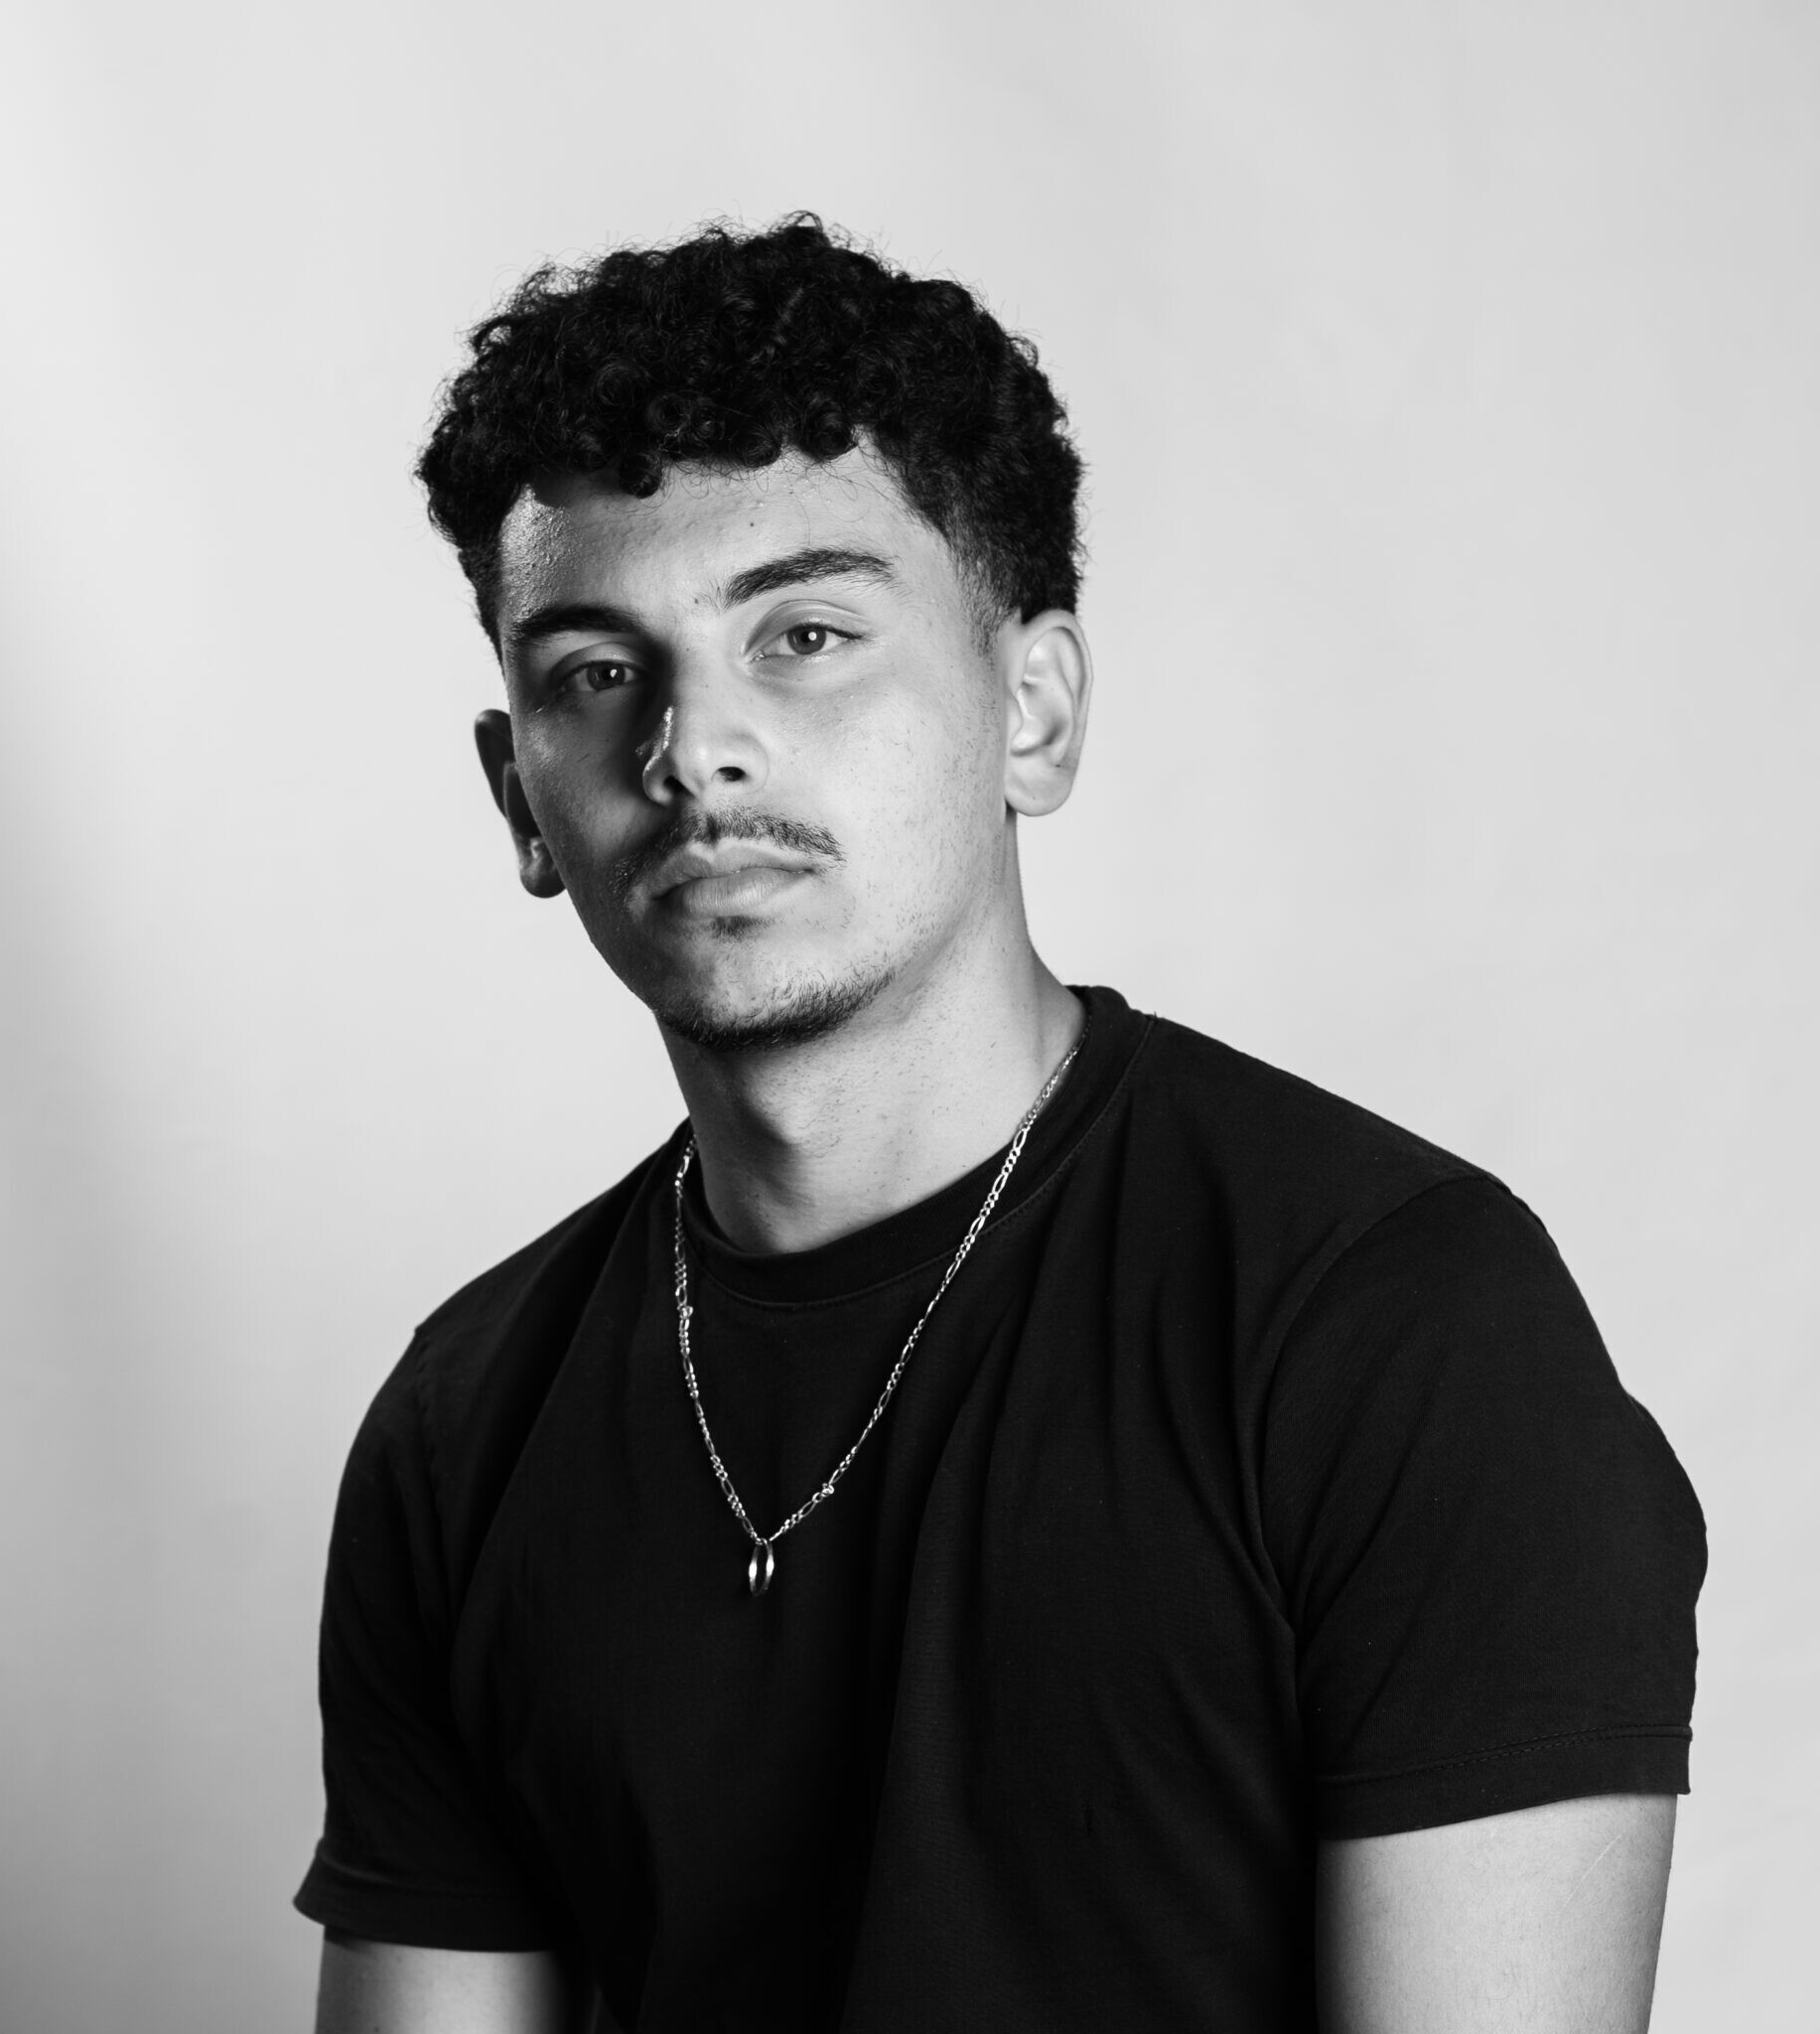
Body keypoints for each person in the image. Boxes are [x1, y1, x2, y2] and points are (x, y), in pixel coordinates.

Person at [294, 215, 1706, 2033]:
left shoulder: (1395, 1326)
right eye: (594, 672)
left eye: (805, 635)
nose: (694, 748)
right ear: (520, 799)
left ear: (1032, 712)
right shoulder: (464, 1427)